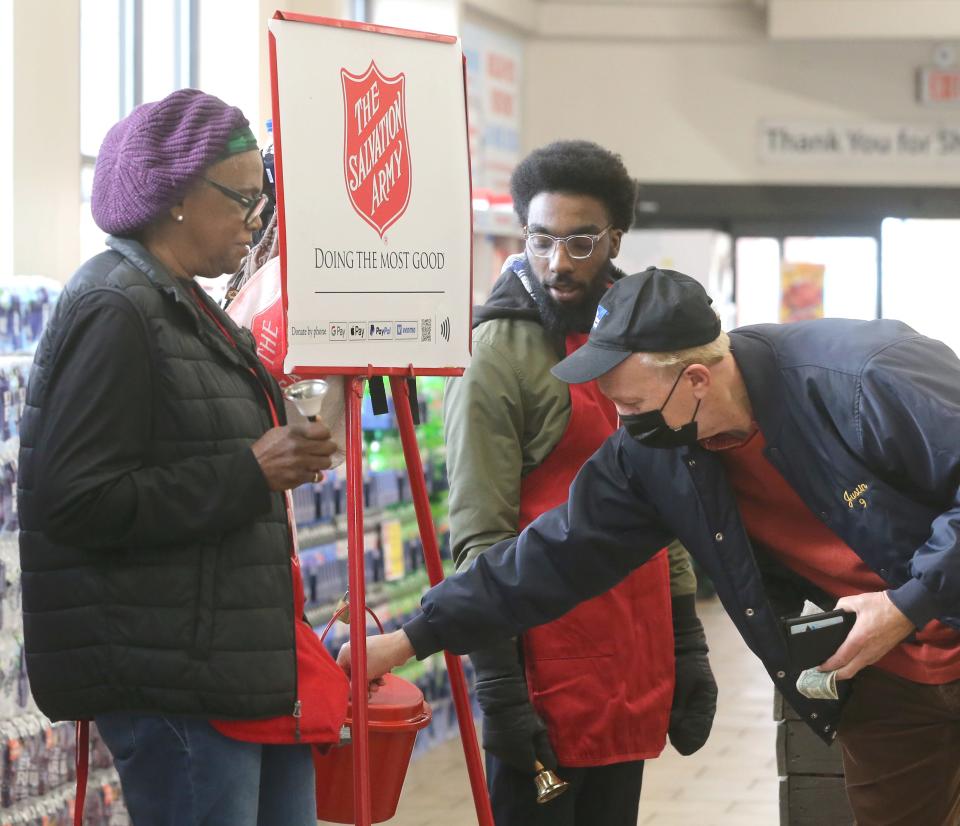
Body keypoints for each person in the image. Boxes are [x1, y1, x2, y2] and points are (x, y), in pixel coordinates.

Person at [342, 267, 960, 826]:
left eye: (631, 403)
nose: (619, 421)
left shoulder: (864, 376)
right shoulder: (656, 452)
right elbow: (553, 555)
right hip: (890, 679)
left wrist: (908, 603)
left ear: (695, 379)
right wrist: (407, 639)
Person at [18, 89, 349, 826]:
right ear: (175, 197)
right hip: (173, 682)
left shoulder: (185, 306)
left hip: (232, 670)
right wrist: (248, 471)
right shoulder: (116, 308)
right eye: (242, 199)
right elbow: (71, 500)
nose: (254, 220)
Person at [444, 141, 716, 825]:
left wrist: (686, 639)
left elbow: (665, 492)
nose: (557, 263)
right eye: (541, 240)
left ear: (615, 239)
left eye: (580, 242)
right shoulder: (497, 355)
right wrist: (499, 687)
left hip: (631, 652)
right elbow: (480, 530)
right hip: (544, 665)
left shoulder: (638, 339)